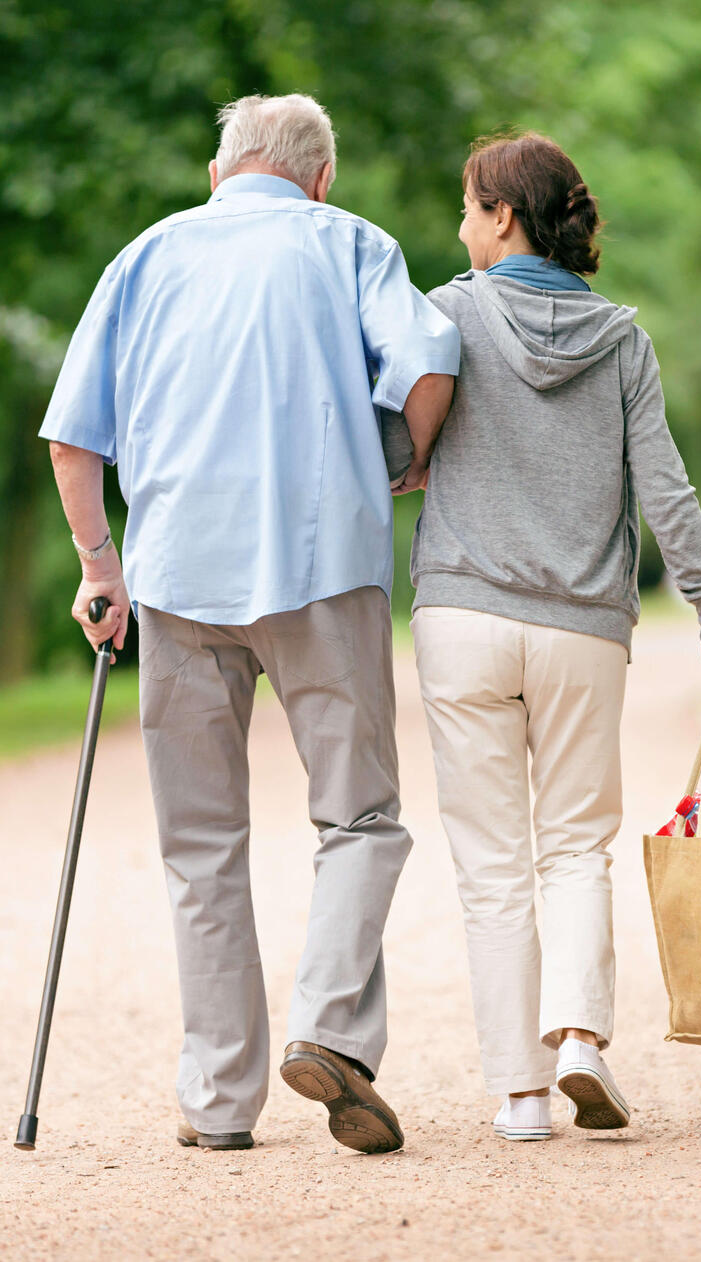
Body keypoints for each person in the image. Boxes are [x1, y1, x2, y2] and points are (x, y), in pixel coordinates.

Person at [39, 93, 460, 1154]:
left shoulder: (146, 255)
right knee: (360, 817)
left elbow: (73, 440)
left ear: (220, 169)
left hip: (179, 577)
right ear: (318, 176)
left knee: (200, 844)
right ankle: (329, 1028)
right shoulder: (352, 243)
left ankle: (220, 1102)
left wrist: (103, 566)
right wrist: (400, 463)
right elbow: (429, 363)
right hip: (323, 569)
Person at [389, 132, 701, 1141]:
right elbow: (666, 490)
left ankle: (518, 1094)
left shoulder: (448, 312)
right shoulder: (624, 340)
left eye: (468, 210)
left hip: (464, 618)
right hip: (584, 628)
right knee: (576, 844)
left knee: (493, 862)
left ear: (504, 216)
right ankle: (583, 1036)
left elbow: (393, 443)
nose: (461, 231)